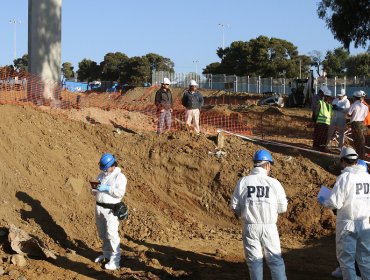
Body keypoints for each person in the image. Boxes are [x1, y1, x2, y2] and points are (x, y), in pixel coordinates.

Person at [230, 150, 288, 280]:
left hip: (250, 226)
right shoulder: (274, 183)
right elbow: (283, 207)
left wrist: (245, 214)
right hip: (269, 227)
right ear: (267, 165)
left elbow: (234, 206)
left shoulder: (243, 181)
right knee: (275, 261)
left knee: (254, 262)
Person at [318, 147, 370, 279]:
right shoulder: (367, 177)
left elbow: (336, 203)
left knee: (346, 261)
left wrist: (324, 199)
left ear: (342, 161)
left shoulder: (344, 178)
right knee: (365, 259)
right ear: (356, 160)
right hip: (364, 222)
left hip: (347, 223)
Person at [92, 153, 127, 270]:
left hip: (111, 210)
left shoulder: (120, 177)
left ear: (112, 165)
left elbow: (120, 192)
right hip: (99, 207)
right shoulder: (101, 175)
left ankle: (115, 260)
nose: (104, 170)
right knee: (103, 233)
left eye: (105, 167)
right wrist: (94, 189)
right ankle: (107, 255)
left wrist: (107, 188)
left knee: (112, 234)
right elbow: (95, 192)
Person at [348, 90, 368, 159]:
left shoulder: (353, 105)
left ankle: (359, 156)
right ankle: (361, 155)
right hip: (362, 123)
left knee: (357, 140)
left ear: (354, 97)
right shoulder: (365, 107)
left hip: (355, 124)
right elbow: (365, 116)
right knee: (362, 140)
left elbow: (349, 114)